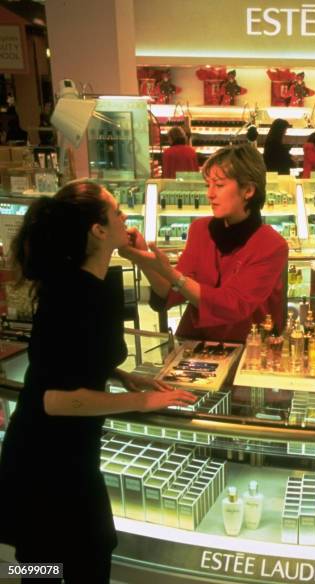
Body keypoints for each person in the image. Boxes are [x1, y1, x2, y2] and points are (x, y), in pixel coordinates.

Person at [0, 180, 196, 583]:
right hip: (50, 466)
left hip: (56, 458)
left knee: (43, 566)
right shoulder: (78, 294)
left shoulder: (86, 284)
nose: (126, 216)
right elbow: (56, 399)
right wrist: (142, 403)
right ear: (98, 230)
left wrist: (124, 376)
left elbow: (75, 357)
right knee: (72, 565)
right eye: (117, 212)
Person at [122, 144, 288, 342]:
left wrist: (171, 274)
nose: (210, 194)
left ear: (249, 190)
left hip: (248, 349)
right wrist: (143, 258)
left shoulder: (271, 245)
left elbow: (233, 305)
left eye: (219, 185)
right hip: (197, 344)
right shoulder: (200, 230)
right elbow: (172, 292)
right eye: (207, 185)